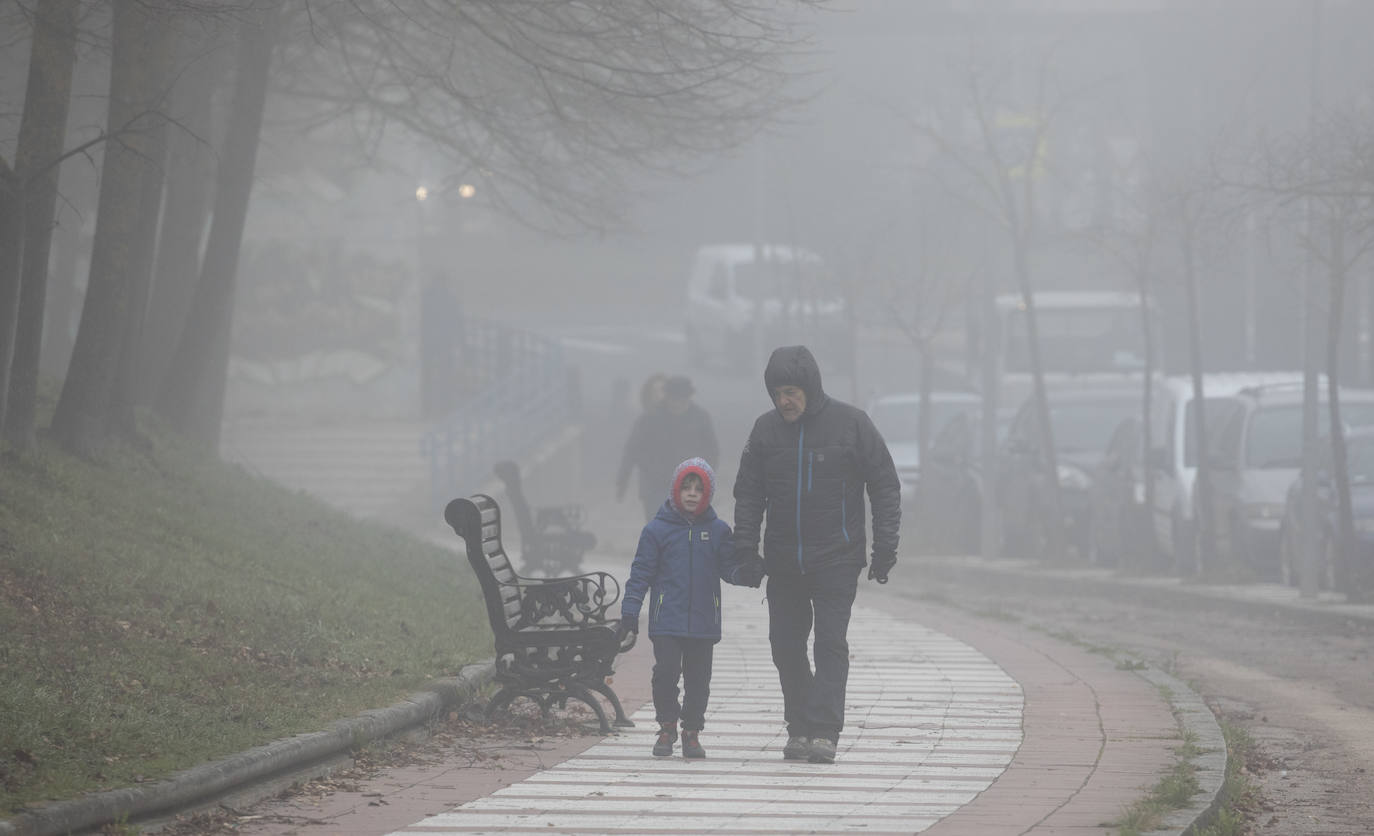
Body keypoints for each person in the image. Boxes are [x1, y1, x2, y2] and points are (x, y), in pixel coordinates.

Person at [732, 345, 901, 764]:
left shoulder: (852, 425)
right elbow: (748, 495)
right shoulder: (765, 432)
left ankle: (823, 731)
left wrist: (885, 549)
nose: (783, 401)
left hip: (837, 559)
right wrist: (745, 551)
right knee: (785, 646)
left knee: (829, 643)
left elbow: (884, 485)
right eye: (776, 393)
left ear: (809, 388)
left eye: (790, 391)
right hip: (784, 561)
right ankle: (800, 726)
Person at [617, 457, 763, 759]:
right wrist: (630, 612)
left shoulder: (718, 531)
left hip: (703, 621)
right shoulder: (656, 531)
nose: (692, 493)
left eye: (699, 488)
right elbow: (641, 573)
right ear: (675, 490)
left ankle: (691, 730)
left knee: (699, 679)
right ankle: (667, 725)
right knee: (666, 673)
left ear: (708, 494)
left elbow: (728, 569)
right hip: (666, 619)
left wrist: (747, 575)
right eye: (687, 487)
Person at [617, 374, 720, 522]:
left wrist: (706, 478)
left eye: (682, 400)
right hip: (655, 486)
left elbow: (712, 451)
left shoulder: (701, 418)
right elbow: (633, 449)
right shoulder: (650, 418)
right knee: (659, 531)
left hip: (690, 485)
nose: (677, 404)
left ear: (689, 398)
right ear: (667, 397)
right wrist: (623, 480)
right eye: (674, 399)